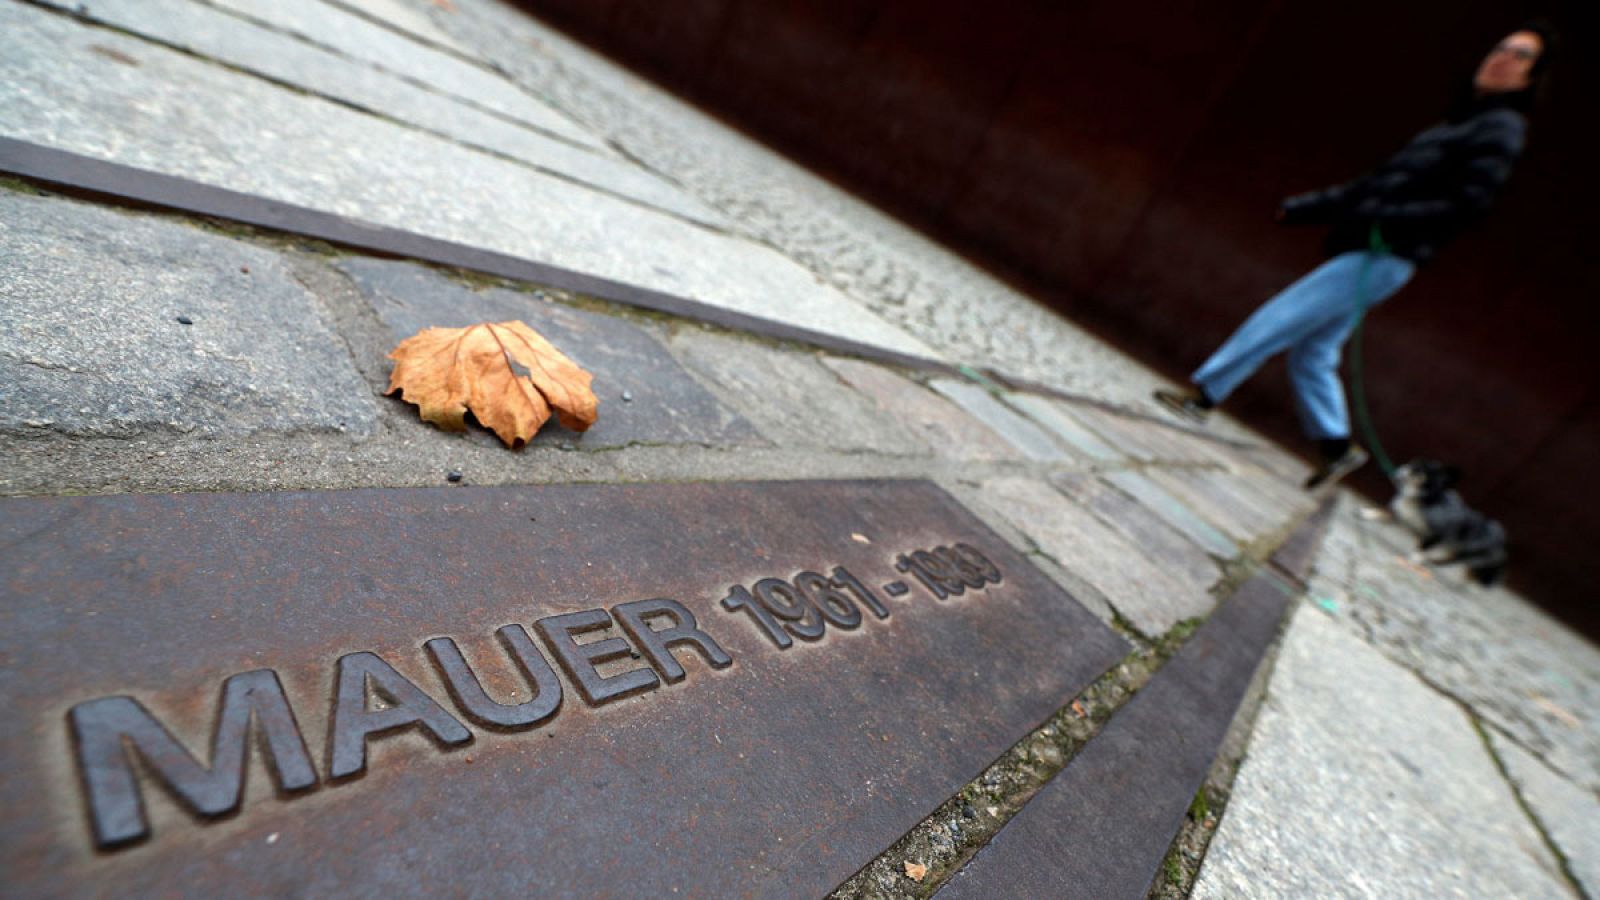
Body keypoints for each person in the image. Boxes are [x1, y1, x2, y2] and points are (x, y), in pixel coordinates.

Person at [1154, 23, 1556, 489]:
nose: (1501, 56)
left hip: (1385, 251)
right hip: (1378, 248)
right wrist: (1305, 209)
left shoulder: (1502, 129)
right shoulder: (1463, 123)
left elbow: (1469, 205)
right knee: (1315, 351)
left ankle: (1203, 396)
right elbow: (1369, 189)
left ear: (1531, 78)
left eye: (1519, 55)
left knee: (1284, 315)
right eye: (1500, 46)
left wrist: (1391, 219)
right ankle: (1336, 448)